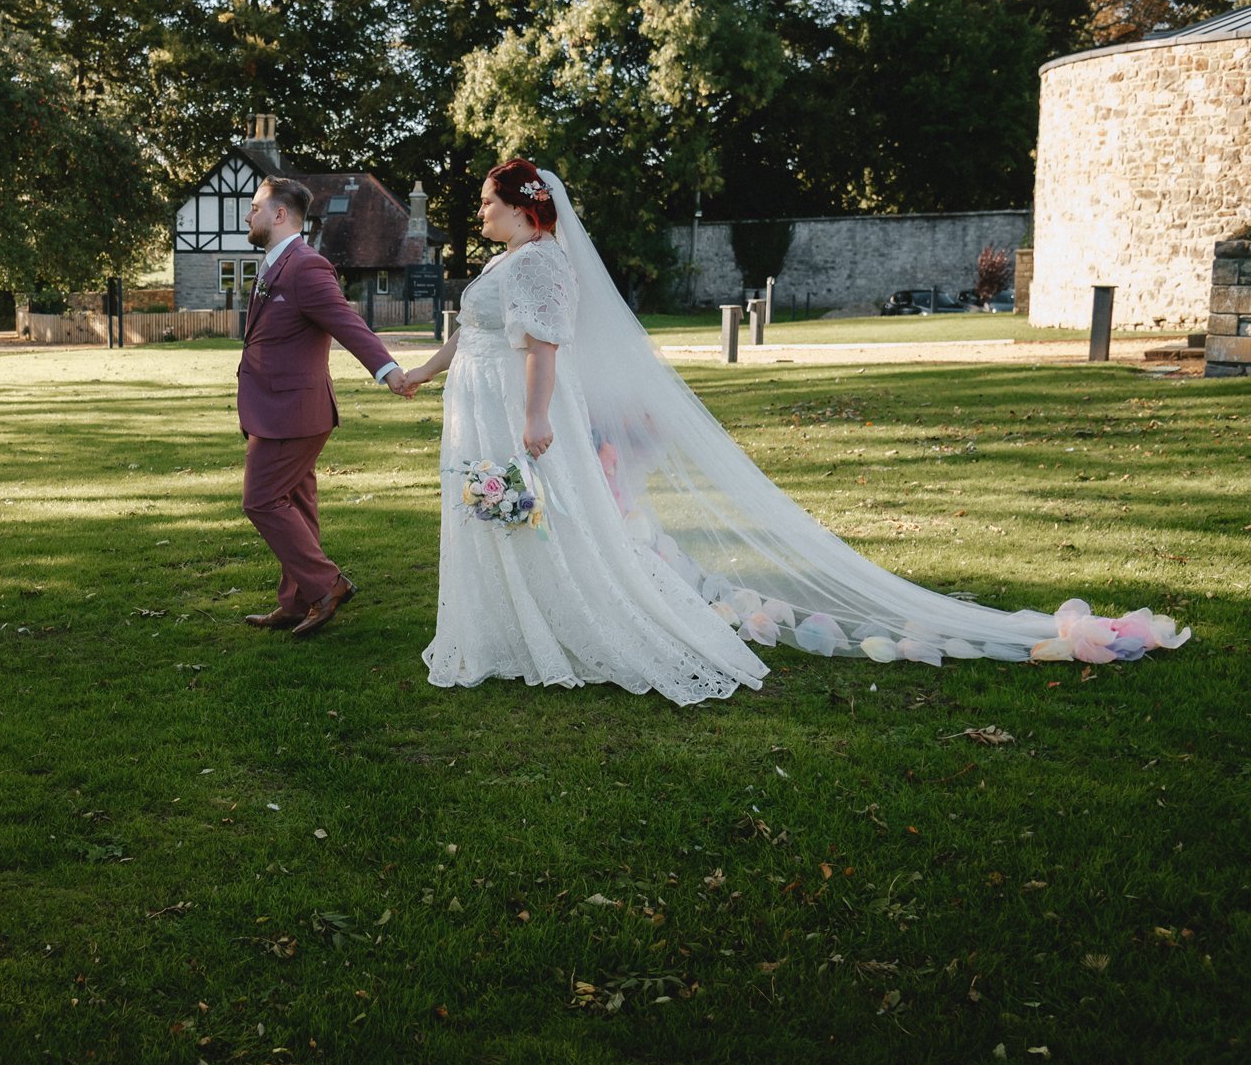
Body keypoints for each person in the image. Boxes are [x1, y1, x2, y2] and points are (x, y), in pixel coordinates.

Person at [397, 159, 1191, 703]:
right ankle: (512, 623)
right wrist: (418, 376)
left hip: (517, 411)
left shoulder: (540, 262)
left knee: (542, 516)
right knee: (500, 517)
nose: (480, 210)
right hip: (481, 406)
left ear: (524, 205)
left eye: (489, 201)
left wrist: (536, 418)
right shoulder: (507, 266)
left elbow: (543, 349)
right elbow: (471, 335)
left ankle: (565, 624)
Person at [236, 176, 413, 638]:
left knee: (261, 500)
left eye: (255, 207)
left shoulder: (304, 266)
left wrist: (387, 369)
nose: (248, 214)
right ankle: (295, 603)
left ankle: (328, 585)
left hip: (292, 413)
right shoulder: (275, 264)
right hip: (279, 407)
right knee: (297, 502)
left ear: (279, 214)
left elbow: (345, 322)